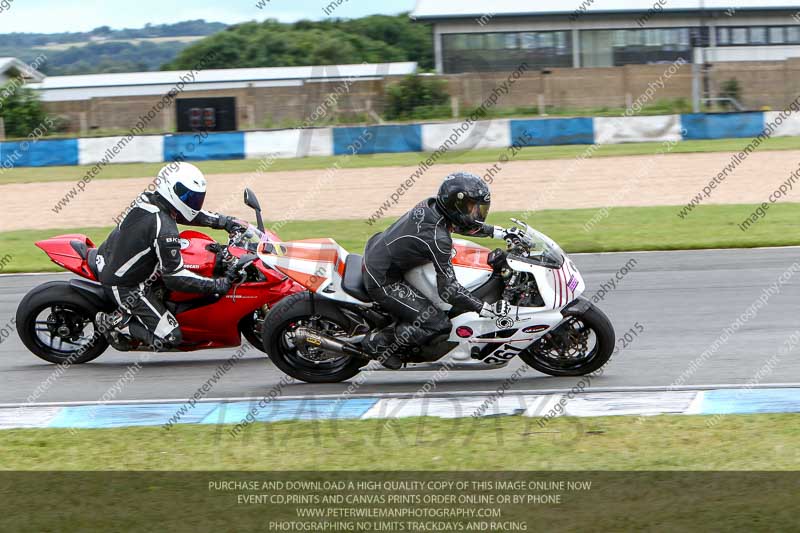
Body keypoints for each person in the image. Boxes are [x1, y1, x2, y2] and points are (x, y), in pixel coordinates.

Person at [361, 172, 513, 369]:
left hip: (381, 252)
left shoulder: (433, 205)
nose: (477, 213)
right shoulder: (438, 239)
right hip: (383, 278)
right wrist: (484, 308)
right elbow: (448, 290)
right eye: (472, 207)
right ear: (456, 205)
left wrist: (501, 232)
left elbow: (461, 224)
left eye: (479, 208)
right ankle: (378, 343)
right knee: (437, 324)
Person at [94, 161, 245, 350]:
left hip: (110, 254)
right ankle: (116, 323)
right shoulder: (165, 231)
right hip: (125, 284)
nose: (192, 201)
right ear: (170, 189)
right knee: (172, 337)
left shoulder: (150, 199)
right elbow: (175, 278)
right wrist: (217, 285)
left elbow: (188, 214)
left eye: (195, 197)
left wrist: (224, 222)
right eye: (187, 196)